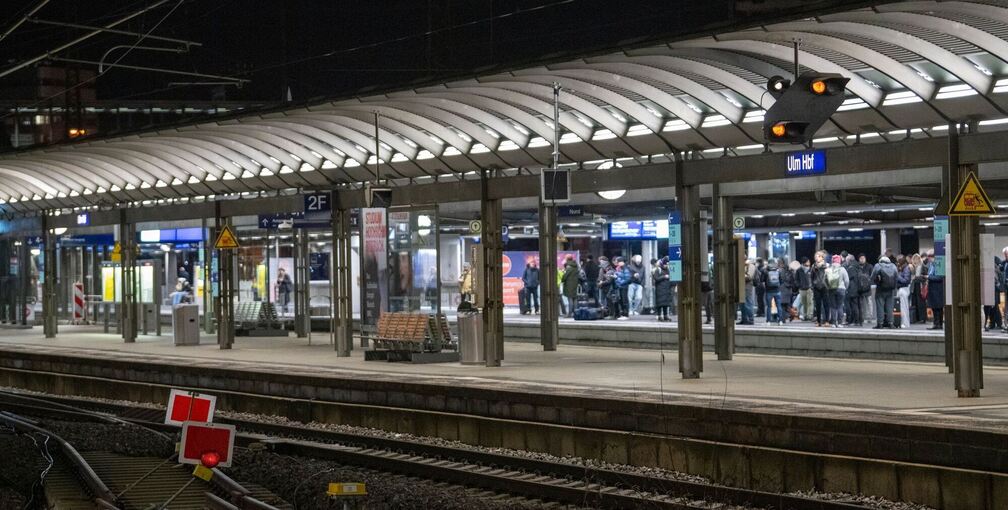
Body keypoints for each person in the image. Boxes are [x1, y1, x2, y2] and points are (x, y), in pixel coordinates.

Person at [871, 256, 898, 329]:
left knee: (880, 306)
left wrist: (876, 282)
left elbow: (872, 277)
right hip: (890, 290)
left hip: (880, 289)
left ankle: (880, 323)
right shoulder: (893, 266)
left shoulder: (878, 265)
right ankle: (891, 323)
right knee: (890, 307)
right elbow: (896, 278)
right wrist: (894, 288)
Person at [825, 254, 849, 328]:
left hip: (831, 289)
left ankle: (833, 323)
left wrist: (828, 287)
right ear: (839, 261)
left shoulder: (829, 269)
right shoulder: (842, 269)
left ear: (832, 261)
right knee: (840, 306)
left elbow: (825, 280)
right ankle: (840, 323)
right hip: (841, 289)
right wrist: (845, 288)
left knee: (833, 306)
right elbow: (847, 280)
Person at [926, 250, 944, 330]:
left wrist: (929, 277)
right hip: (932, 288)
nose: (928, 258)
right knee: (934, 307)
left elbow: (940, 277)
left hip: (937, 288)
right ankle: (936, 323)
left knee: (938, 307)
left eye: (930, 256)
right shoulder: (931, 265)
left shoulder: (938, 264)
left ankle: (939, 323)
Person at [843, 254, 862, 326]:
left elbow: (848, 279)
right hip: (858, 288)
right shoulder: (857, 266)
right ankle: (858, 321)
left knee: (852, 306)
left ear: (849, 260)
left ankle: (853, 321)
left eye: (847, 260)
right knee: (857, 305)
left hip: (852, 289)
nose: (846, 262)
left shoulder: (851, 268)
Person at [762, 258, 783, 324]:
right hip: (777, 290)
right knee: (779, 306)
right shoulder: (778, 270)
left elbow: (762, 279)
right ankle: (780, 320)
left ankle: (768, 321)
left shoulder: (765, 271)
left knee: (769, 306)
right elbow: (781, 280)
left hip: (769, 291)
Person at [652, 257, 673, 321]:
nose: (666, 265)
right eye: (665, 264)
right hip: (660, 289)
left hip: (667, 289)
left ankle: (665, 316)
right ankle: (659, 316)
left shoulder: (669, 270)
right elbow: (656, 278)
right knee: (660, 304)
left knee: (666, 304)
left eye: (667, 264)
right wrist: (664, 277)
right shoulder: (658, 269)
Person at [812, 251, 829, 326]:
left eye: (818, 256)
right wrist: (812, 285)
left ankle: (827, 321)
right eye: (816, 256)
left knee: (826, 304)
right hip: (816, 287)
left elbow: (829, 276)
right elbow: (811, 277)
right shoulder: (813, 266)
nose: (817, 258)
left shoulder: (827, 265)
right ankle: (819, 321)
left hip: (825, 287)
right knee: (818, 305)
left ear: (822, 257)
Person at [910, 253, 928, 324]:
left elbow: (925, 277)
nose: (915, 260)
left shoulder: (923, 266)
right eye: (914, 259)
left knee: (921, 302)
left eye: (916, 259)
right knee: (915, 301)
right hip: (914, 285)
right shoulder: (913, 267)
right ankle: (916, 318)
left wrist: (917, 277)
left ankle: (922, 318)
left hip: (920, 285)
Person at [858, 254, 875, 324]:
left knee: (869, 302)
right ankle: (862, 317)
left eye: (863, 258)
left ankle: (869, 317)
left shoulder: (869, 266)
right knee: (862, 303)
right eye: (861, 258)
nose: (862, 259)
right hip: (860, 288)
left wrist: (870, 283)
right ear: (859, 259)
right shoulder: (857, 266)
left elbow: (873, 275)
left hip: (868, 288)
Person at [896, 256, 912, 329]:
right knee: (902, 307)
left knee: (903, 307)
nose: (897, 263)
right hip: (902, 289)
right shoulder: (903, 268)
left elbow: (906, 280)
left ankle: (905, 323)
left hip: (904, 289)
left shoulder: (906, 269)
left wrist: (898, 276)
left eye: (898, 261)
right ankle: (902, 322)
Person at [738, 259, 756, 325]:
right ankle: (744, 319)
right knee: (742, 304)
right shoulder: (741, 265)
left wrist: (741, 275)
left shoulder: (750, 265)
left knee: (748, 303)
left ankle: (750, 319)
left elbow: (749, 277)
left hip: (747, 286)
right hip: (741, 286)